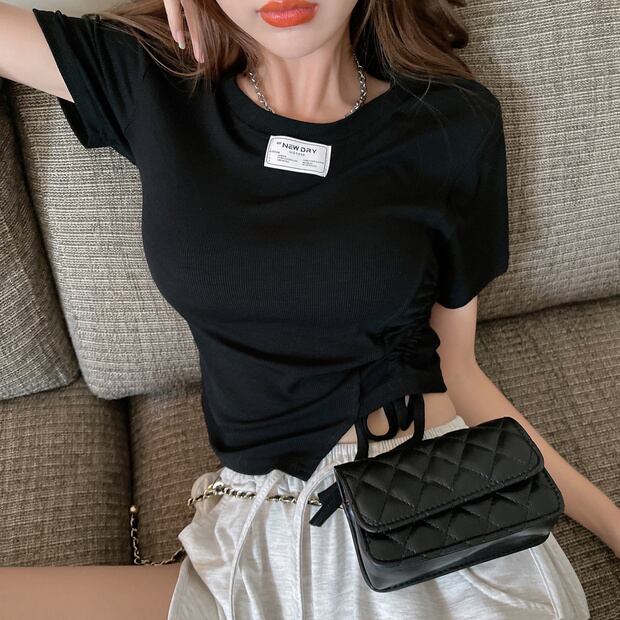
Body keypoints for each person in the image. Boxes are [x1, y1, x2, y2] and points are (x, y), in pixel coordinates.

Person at [0, 0, 617, 618]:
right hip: (254, 529)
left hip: (423, 510)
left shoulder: (452, 123)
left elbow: (458, 369)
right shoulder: (149, 79)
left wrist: (612, 525)